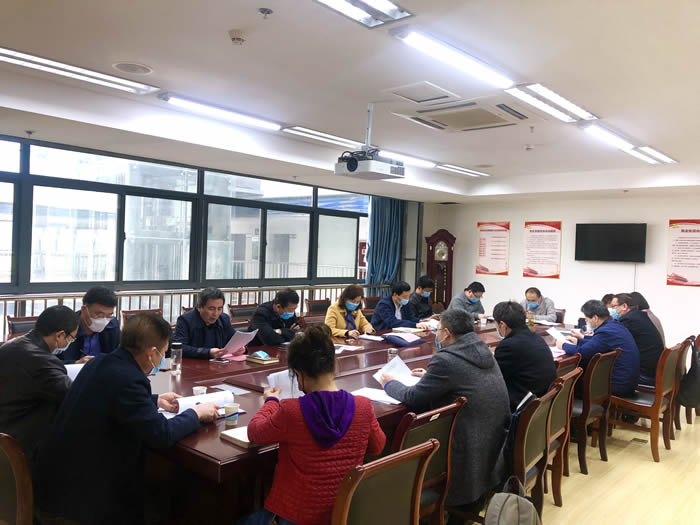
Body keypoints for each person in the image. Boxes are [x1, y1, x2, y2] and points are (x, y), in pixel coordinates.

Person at [34, 313, 219, 525]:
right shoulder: (130, 379)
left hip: (51, 485)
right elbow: (161, 434)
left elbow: (110, 399)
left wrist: (155, 400)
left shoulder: (101, 362)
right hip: (80, 503)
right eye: (164, 353)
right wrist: (196, 413)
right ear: (152, 353)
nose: (163, 358)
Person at [243, 325, 386, 525]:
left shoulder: (291, 410)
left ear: (298, 373)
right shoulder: (363, 406)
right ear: (333, 365)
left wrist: (271, 402)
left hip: (294, 516)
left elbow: (254, 432)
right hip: (344, 513)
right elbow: (378, 446)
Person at [379, 309, 510, 520]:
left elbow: (413, 397)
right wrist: (431, 377)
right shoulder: (481, 349)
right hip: (491, 441)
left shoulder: (447, 360)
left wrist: (389, 383)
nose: (436, 334)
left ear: (447, 333)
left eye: (438, 330)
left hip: (466, 446)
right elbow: (462, 378)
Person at [0, 305, 79, 468]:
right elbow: (74, 396)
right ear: (60, 335)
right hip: (23, 444)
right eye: (71, 338)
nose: (70, 343)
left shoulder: (13, 344)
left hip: (6, 430)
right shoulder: (43, 362)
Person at [556, 299, 640, 396]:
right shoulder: (614, 325)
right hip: (627, 381)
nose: (587, 322)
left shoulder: (605, 331)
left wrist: (563, 345)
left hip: (617, 385)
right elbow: (597, 343)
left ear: (595, 318)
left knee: (567, 384)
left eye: (587, 319)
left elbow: (582, 353)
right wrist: (578, 341)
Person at [493, 301, 556, 411]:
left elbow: (494, 379)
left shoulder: (507, 346)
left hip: (525, 409)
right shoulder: (537, 337)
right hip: (544, 405)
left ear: (502, 325)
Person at [611, 293, 664, 385]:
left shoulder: (629, 319)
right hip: (653, 368)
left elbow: (614, 339)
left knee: (605, 372)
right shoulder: (639, 315)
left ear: (624, 306)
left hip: (644, 373)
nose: (613, 310)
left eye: (614, 307)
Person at [59, 286, 120, 364]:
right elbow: (50, 361)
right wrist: (75, 363)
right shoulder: (65, 327)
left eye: (109, 315)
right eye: (100, 315)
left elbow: (118, 356)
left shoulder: (113, 326)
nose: (104, 320)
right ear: (84, 310)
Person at [174, 287, 235, 359]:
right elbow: (180, 348)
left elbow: (235, 339)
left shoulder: (224, 319)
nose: (215, 314)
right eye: (211, 309)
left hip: (218, 363)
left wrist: (241, 348)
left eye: (219, 309)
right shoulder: (185, 320)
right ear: (199, 307)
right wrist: (208, 352)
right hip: (194, 363)